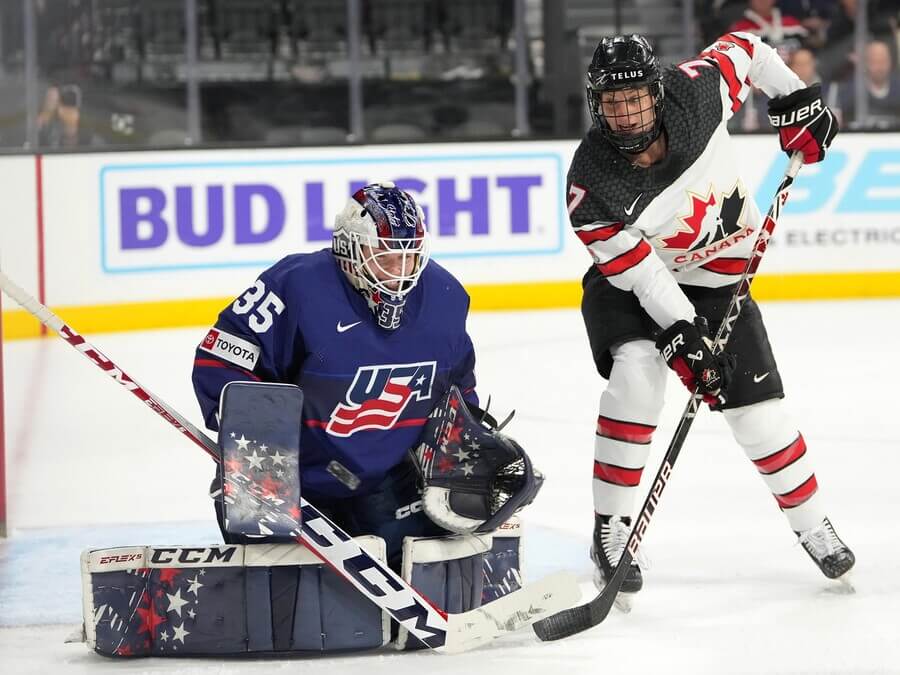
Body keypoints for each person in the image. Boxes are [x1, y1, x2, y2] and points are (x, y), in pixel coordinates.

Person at [568, 32, 855, 605]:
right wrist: (682, 332)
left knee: (759, 418)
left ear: (656, 90)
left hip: (719, 285)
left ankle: (813, 524)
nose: (626, 115)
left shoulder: (695, 95)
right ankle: (612, 527)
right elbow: (644, 277)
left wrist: (796, 101)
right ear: (596, 105)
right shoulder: (591, 185)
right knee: (637, 376)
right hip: (634, 285)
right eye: (612, 103)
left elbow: (748, 47)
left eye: (635, 98)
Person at [191, 181, 539, 571]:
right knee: (290, 590)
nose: (399, 273)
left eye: (409, 258)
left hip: (382, 480)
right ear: (348, 251)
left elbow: (458, 389)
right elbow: (220, 360)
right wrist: (252, 449)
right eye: (385, 258)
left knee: (412, 566)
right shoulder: (296, 286)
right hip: (291, 482)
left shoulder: (444, 297)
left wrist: (464, 447)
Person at [835, 39, 900, 130]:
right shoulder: (849, 91)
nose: (880, 66)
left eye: (883, 60)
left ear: (890, 62)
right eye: (875, 61)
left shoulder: (898, 88)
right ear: (866, 63)